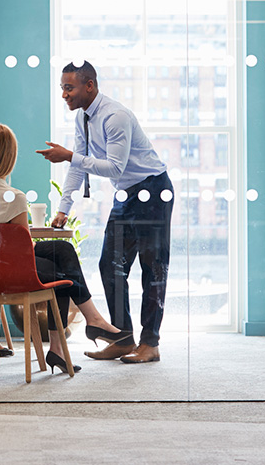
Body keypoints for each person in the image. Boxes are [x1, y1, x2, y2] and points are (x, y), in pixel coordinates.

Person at [0, 124, 126, 374]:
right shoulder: (13, 197)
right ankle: (88, 325)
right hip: (7, 272)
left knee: (63, 250)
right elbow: (24, 248)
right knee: (63, 270)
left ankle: (75, 335)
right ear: (9, 158)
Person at [37, 61, 173, 364]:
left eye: (68, 88)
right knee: (109, 265)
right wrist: (63, 208)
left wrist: (70, 156)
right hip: (125, 194)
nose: (63, 95)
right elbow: (78, 165)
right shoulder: (83, 118)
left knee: (153, 269)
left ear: (89, 86)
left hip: (152, 191)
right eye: (62, 88)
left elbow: (113, 166)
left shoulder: (116, 116)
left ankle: (150, 343)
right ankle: (122, 338)